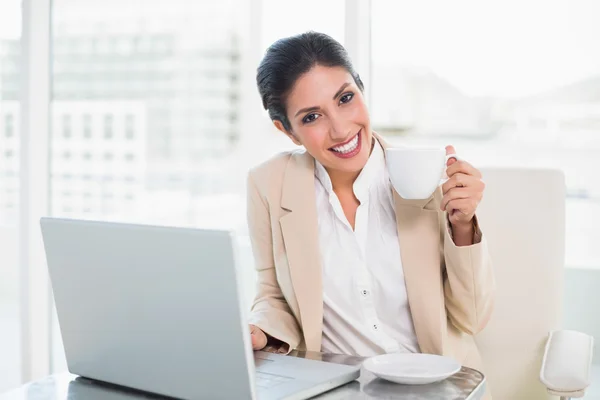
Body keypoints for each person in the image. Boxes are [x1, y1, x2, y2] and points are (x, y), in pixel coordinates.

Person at [246, 31, 494, 377]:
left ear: (362, 90)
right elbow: (273, 295)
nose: (341, 128)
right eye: (312, 117)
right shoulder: (268, 184)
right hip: (339, 387)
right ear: (287, 131)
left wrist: (463, 225)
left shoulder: (427, 175)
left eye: (345, 98)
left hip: (435, 385)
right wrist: (261, 331)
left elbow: (472, 317)